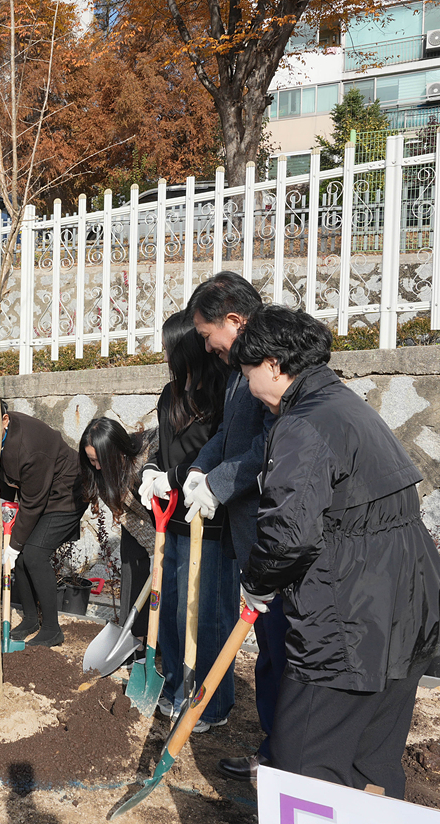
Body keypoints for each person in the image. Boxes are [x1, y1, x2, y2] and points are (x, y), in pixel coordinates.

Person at [231, 305, 440, 797]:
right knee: (371, 756)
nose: (249, 387)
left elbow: (289, 531)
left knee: (305, 755)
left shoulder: (303, 425)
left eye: (249, 374)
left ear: (273, 365)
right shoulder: (348, 407)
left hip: (350, 610)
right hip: (407, 598)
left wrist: (256, 582)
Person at [179, 271, 285, 784]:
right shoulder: (240, 374)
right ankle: (275, 747)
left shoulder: (274, 366)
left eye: (207, 334)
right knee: (271, 652)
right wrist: (200, 469)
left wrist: (219, 485)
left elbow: (271, 444)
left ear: (235, 321)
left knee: (286, 653)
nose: (207, 347)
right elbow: (228, 434)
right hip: (255, 539)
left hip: (279, 534)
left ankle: (289, 758)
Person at [137, 310, 229, 725]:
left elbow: (216, 454)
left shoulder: (221, 395)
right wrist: (150, 472)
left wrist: (174, 478)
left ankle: (212, 702)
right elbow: (161, 449)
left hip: (207, 520)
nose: (164, 354)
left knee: (205, 614)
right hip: (170, 519)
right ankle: (176, 684)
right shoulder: (169, 395)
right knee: (171, 608)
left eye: (168, 347)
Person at [0, 393, 85, 648]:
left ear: (4, 420)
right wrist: (6, 511)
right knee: (19, 558)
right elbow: (2, 474)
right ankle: (30, 619)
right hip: (41, 494)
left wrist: (13, 545)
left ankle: (52, 629)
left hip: (67, 494)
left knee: (33, 555)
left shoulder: (29, 448)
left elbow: (32, 504)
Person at [78, 418, 155, 647]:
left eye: (100, 460)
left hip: (170, 519)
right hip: (138, 526)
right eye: (92, 460)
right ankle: (136, 641)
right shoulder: (99, 475)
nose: (97, 467)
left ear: (117, 451)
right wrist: (153, 551)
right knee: (134, 571)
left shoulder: (149, 451)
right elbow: (127, 517)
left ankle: (160, 638)